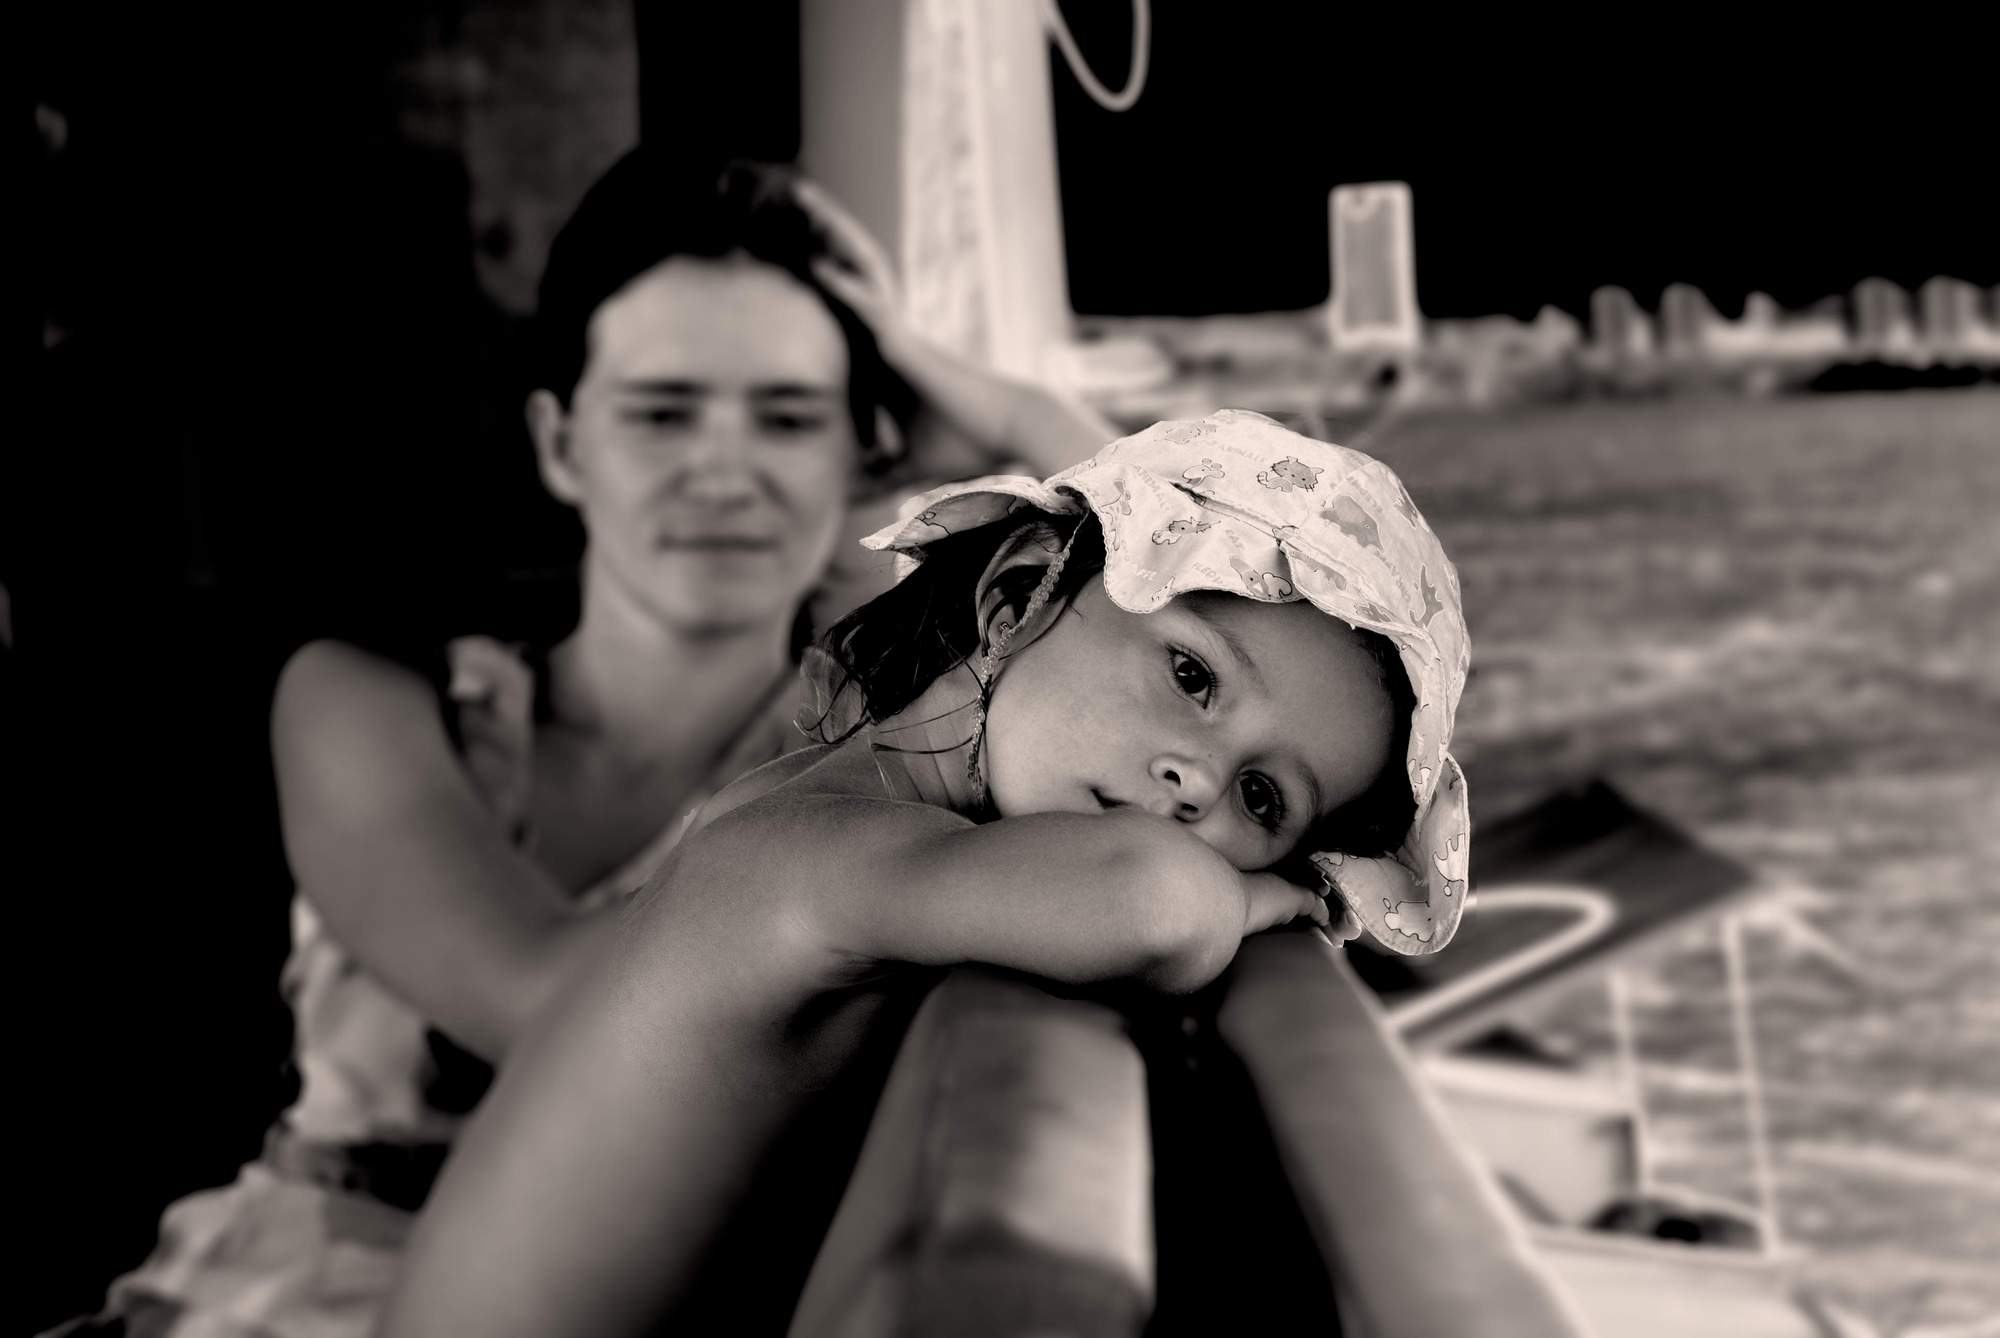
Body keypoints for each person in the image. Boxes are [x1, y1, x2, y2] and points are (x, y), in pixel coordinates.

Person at [47, 151, 1113, 1338]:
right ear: (560, 444)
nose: (724, 472)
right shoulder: (369, 706)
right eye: (661, 413)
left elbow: (1186, 623)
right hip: (273, 1302)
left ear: (865, 453)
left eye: (787, 417)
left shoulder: (880, 745)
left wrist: (1009, 417)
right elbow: (547, 1002)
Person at [379, 408, 1477, 1335]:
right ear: (1017, 593)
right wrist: (1281, 892)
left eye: (1264, 799)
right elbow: (1156, 903)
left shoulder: (900, 845)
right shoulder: (811, 851)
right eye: (1192, 675)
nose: (1197, 783)